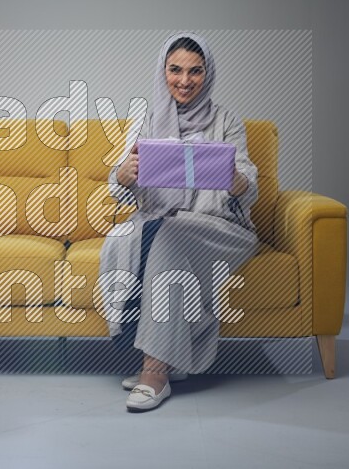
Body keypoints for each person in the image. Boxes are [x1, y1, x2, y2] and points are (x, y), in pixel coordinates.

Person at [98, 32, 260, 412]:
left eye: (195, 71)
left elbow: (247, 186)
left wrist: (237, 182)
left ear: (208, 73)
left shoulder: (226, 119)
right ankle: (170, 358)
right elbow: (118, 188)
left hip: (219, 228)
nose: (184, 81)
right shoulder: (148, 119)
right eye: (175, 70)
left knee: (167, 236)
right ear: (163, 71)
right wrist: (123, 174)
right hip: (163, 221)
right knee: (150, 235)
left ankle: (153, 372)